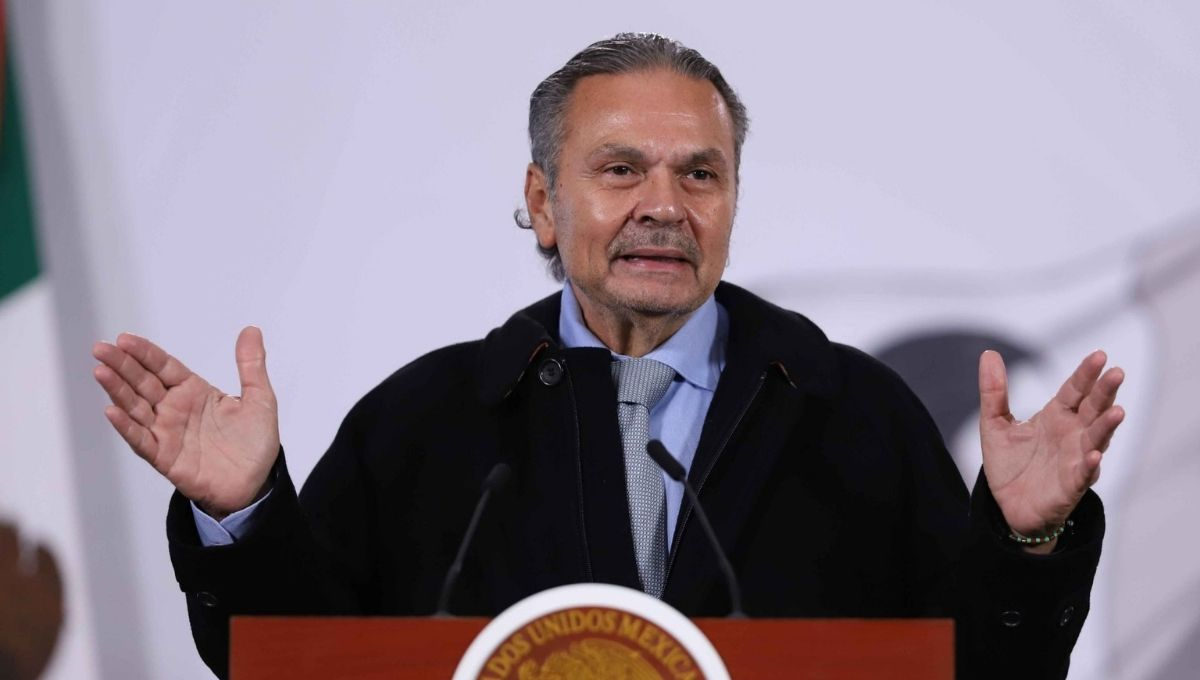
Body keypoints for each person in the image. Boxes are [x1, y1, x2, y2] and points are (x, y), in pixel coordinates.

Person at [91, 34, 1125, 679]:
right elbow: (295, 666)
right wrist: (247, 516)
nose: (664, 207)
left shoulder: (852, 412)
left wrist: (1025, 541)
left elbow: (987, 670)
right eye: (621, 169)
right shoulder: (428, 420)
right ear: (544, 201)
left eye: (701, 174)